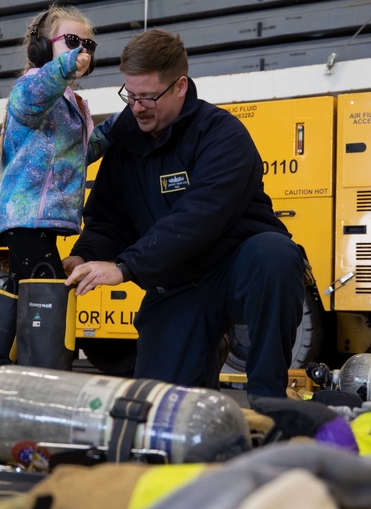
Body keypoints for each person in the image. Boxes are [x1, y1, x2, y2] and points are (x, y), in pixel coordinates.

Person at [63, 29, 305, 398]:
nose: (137, 107)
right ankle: (200, 351)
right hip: (175, 285)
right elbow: (109, 220)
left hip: (233, 268)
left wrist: (126, 267)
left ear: (179, 86)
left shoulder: (221, 133)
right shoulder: (125, 147)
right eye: (130, 95)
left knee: (276, 255)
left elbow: (200, 216)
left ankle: (269, 402)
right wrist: (83, 255)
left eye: (148, 96)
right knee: (159, 412)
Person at [0, 3, 113, 391]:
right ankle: (37, 388)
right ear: (44, 49)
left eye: (89, 44)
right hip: (25, 214)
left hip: (44, 219)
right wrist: (62, 70)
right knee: (44, 294)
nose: (83, 50)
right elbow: (31, 101)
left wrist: (116, 129)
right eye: (73, 41)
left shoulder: (74, 104)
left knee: (21, 295)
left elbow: (78, 154)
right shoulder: (32, 86)